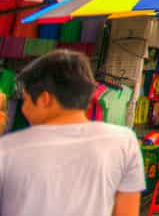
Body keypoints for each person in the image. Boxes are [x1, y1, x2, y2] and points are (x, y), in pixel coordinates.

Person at [0, 50, 145, 216]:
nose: (23, 109)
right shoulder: (124, 143)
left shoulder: (9, 150)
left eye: (25, 100)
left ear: (44, 99)